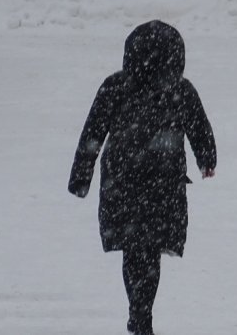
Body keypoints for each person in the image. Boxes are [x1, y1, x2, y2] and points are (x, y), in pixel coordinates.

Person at [67, 20, 217, 335]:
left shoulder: (115, 86)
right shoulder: (179, 89)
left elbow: (92, 132)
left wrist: (82, 176)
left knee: (135, 250)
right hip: (162, 181)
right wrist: (206, 159)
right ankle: (142, 313)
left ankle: (138, 313)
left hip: (122, 180)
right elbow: (199, 127)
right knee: (148, 250)